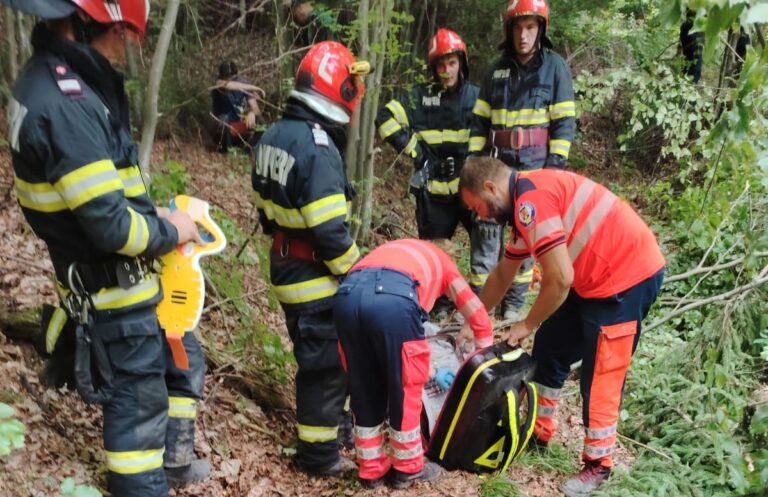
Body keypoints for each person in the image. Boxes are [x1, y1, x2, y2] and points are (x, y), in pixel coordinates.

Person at [5, 1, 208, 496]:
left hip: (107, 281)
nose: (124, 45)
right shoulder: (68, 104)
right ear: (87, 22)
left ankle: (175, 463)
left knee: (182, 358)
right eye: (121, 32)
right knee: (137, 412)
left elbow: (97, 197)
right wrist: (172, 232)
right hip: (113, 292)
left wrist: (151, 215)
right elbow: (113, 232)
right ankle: (142, 485)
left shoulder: (53, 83)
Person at [458, 156, 665, 497]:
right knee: (550, 347)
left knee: (601, 370)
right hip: (591, 278)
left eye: (478, 207)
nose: (480, 216)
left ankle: (600, 464)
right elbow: (503, 274)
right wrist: (474, 319)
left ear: (491, 188)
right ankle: (539, 432)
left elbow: (560, 279)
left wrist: (526, 322)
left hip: (626, 276)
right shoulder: (523, 206)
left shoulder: (531, 202)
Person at [251, 41, 368, 476]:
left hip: (285, 267)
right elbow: (330, 233)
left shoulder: (274, 134)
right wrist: (359, 275)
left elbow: (266, 211)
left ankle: (335, 427)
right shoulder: (318, 148)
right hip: (313, 275)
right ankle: (318, 456)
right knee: (325, 366)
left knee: (317, 354)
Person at [333, 239, 494, 489]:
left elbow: (390, 358)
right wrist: (486, 369)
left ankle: (371, 469)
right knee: (407, 385)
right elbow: (479, 317)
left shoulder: (399, 251)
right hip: (394, 298)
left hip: (346, 296)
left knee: (362, 383)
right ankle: (408, 468)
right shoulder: (444, 264)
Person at [375, 28, 499, 319]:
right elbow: (385, 117)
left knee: (485, 250)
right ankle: (440, 311)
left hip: (470, 191)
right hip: (434, 194)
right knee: (434, 256)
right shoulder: (419, 97)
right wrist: (416, 151)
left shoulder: (476, 96)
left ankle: (482, 309)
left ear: (461, 63)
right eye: (441, 65)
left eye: (452, 63)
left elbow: (494, 130)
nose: (447, 71)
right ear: (433, 68)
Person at [469, 0, 577, 320]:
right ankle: (479, 308)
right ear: (509, 30)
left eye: (530, 27)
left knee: (525, 239)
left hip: (535, 167)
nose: (523, 35)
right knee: (487, 233)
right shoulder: (495, 70)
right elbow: (479, 122)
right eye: (517, 27)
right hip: (496, 166)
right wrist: (475, 166)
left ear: (541, 29)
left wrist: (554, 169)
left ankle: (513, 309)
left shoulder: (555, 67)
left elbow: (564, 123)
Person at [211, 60, 266, 151]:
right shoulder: (218, 83)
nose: (229, 79)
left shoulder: (243, 83)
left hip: (236, 125)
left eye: (231, 77)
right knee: (223, 121)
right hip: (222, 126)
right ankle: (228, 151)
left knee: (260, 121)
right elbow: (228, 85)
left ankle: (248, 149)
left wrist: (252, 113)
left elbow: (256, 109)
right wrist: (255, 87)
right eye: (227, 77)